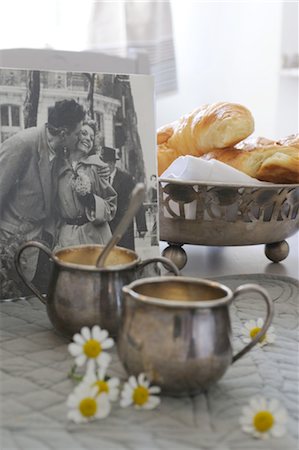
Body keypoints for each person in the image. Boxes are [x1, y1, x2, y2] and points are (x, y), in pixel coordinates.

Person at [0, 99, 85, 291]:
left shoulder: (60, 151)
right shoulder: (22, 144)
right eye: (78, 134)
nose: (79, 139)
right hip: (8, 243)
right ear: (63, 133)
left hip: (35, 244)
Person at [55, 120, 117, 248]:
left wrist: (91, 200)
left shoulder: (97, 167)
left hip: (95, 236)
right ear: (74, 134)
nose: (88, 138)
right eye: (84, 133)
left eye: (92, 137)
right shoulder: (57, 168)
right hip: (67, 240)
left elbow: (111, 206)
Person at [100, 146, 147, 251]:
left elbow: (137, 201)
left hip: (123, 229)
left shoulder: (126, 179)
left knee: (124, 258)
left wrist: (141, 227)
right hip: (105, 229)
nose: (101, 166)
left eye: (104, 163)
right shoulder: (100, 179)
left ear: (111, 163)